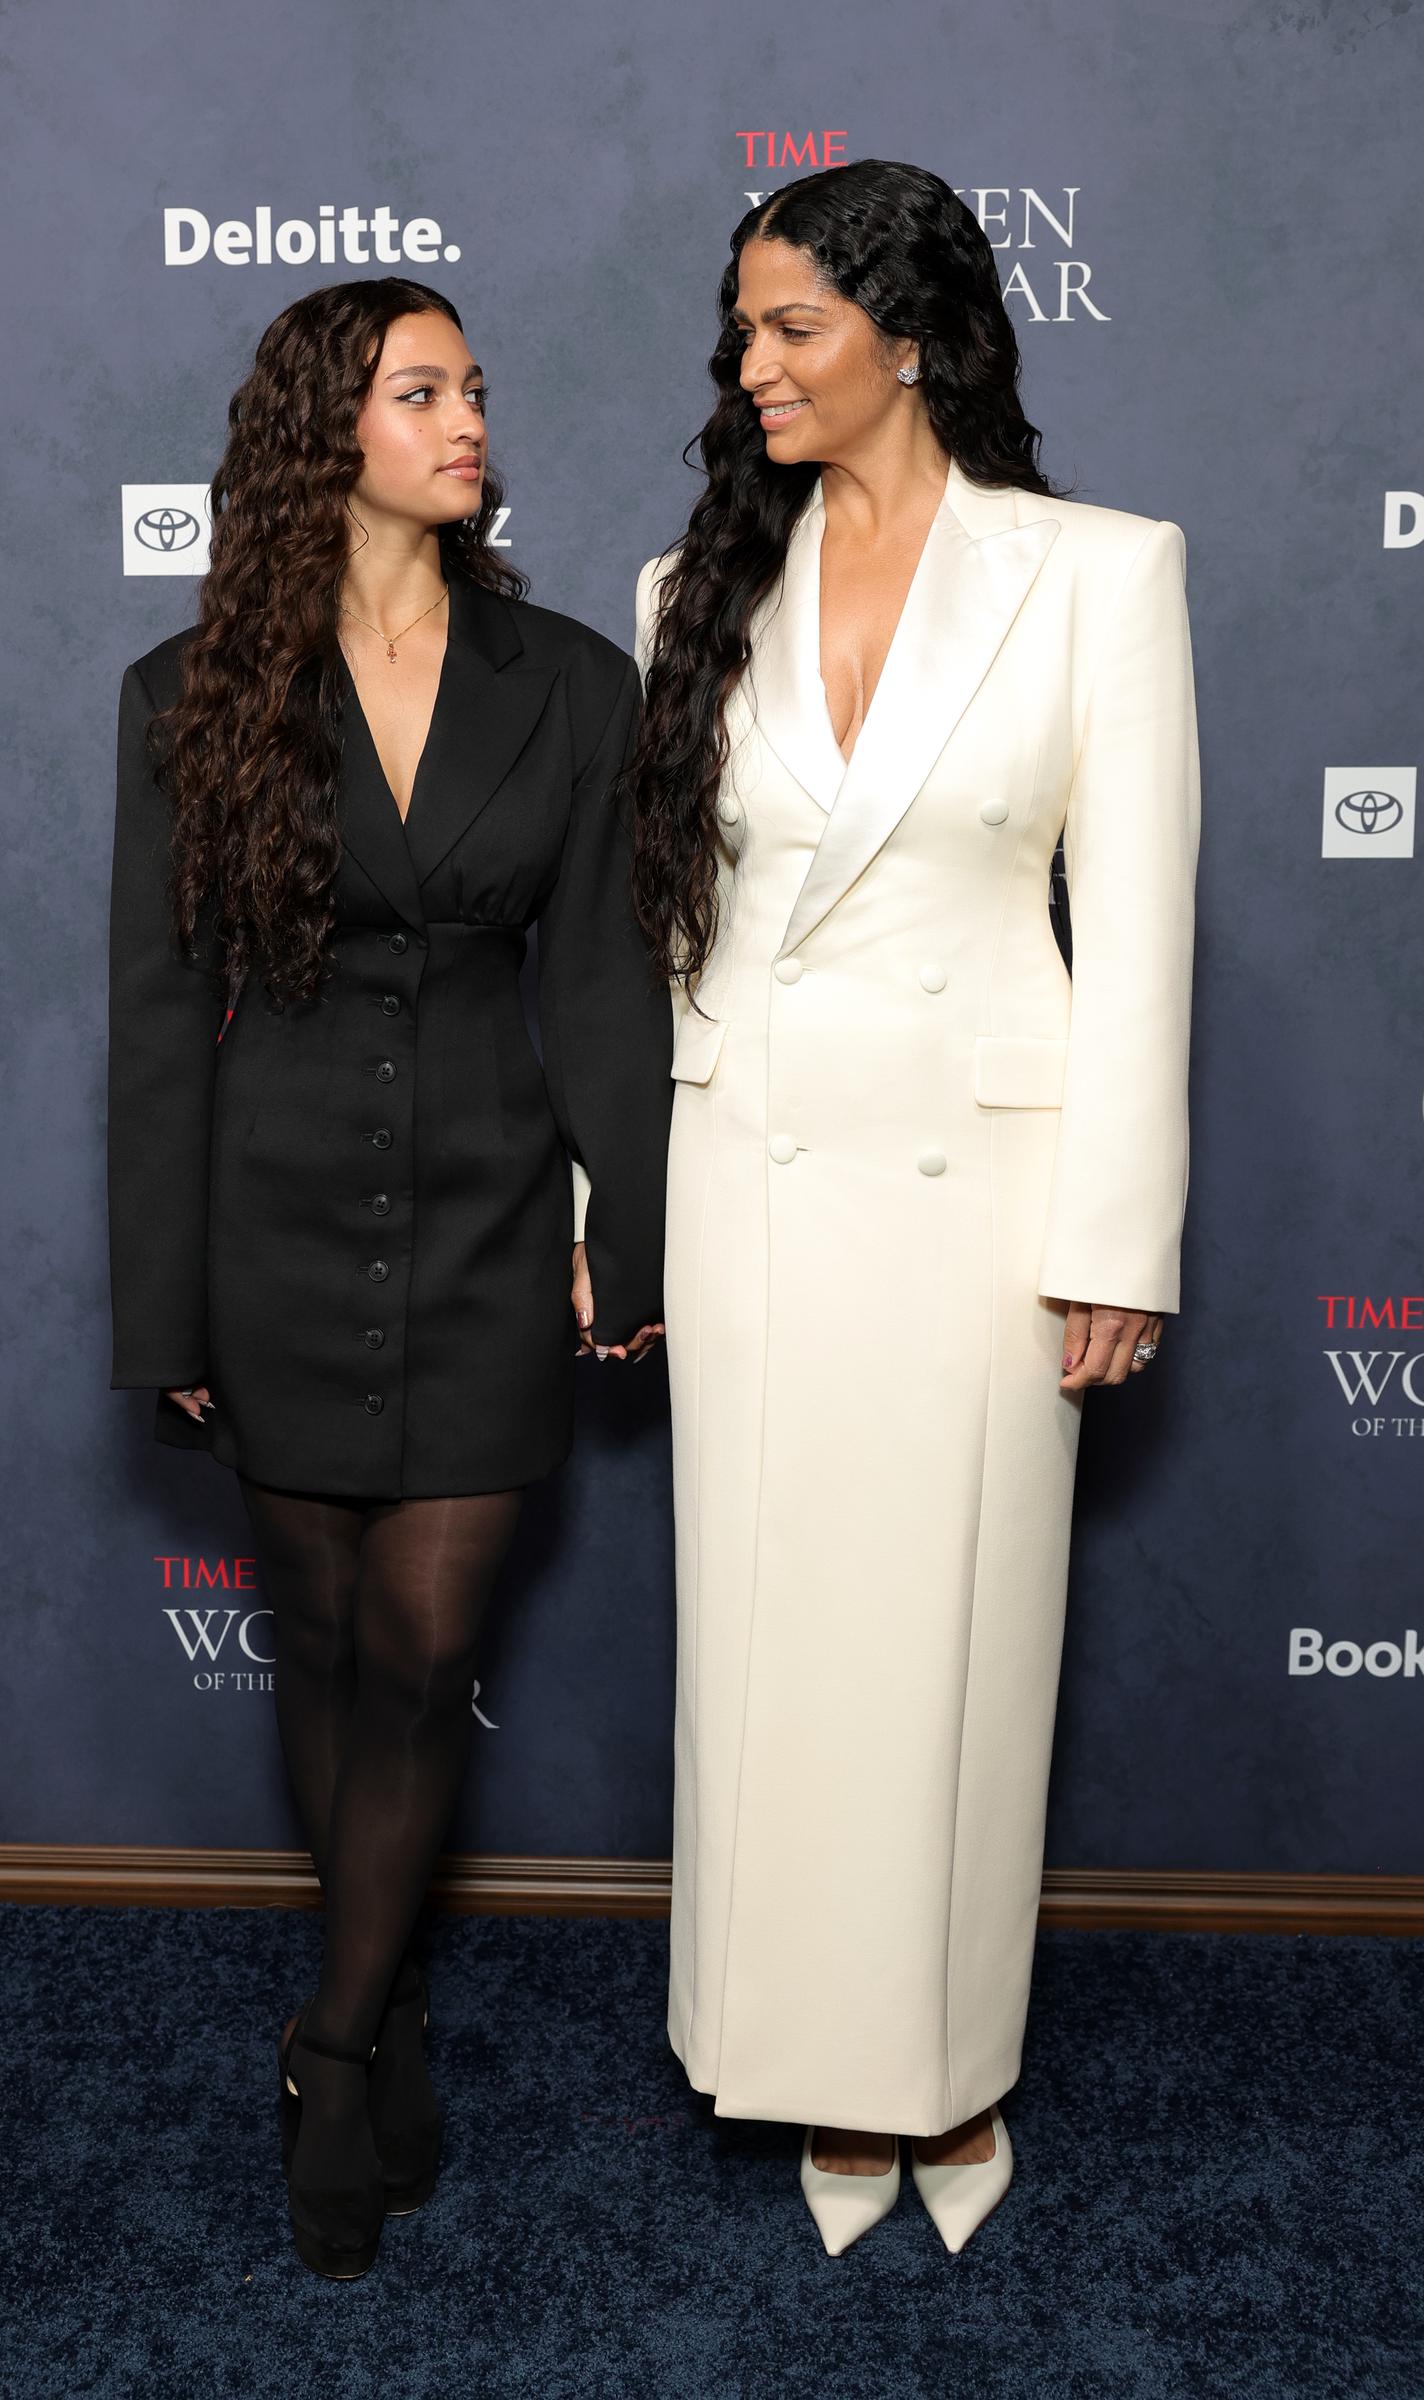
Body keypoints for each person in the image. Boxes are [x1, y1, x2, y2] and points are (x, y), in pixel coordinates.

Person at [627, 161, 1200, 2256]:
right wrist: (632, 1179)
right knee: (774, 1642)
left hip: (980, 1195)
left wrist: (1109, 1236)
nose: (752, 367)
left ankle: (938, 2073)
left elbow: (1133, 933)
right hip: (754, 1174)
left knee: (953, 1644)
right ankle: (778, 2048)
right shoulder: (689, 584)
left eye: (790, 327)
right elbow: (673, 937)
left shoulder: (1093, 573)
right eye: (742, 332)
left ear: (911, 332)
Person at [106, 278, 671, 2280]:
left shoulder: (572, 683)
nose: (466, 418)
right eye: (420, 390)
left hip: (491, 1223)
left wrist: (637, 1223)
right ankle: (389, 1987)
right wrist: (158, 1307)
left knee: (425, 1646)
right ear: (324, 432)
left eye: (472, 387)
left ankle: (328, 2039)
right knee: (330, 1641)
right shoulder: (188, 691)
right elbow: (163, 1014)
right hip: (264, 1220)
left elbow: (601, 983)